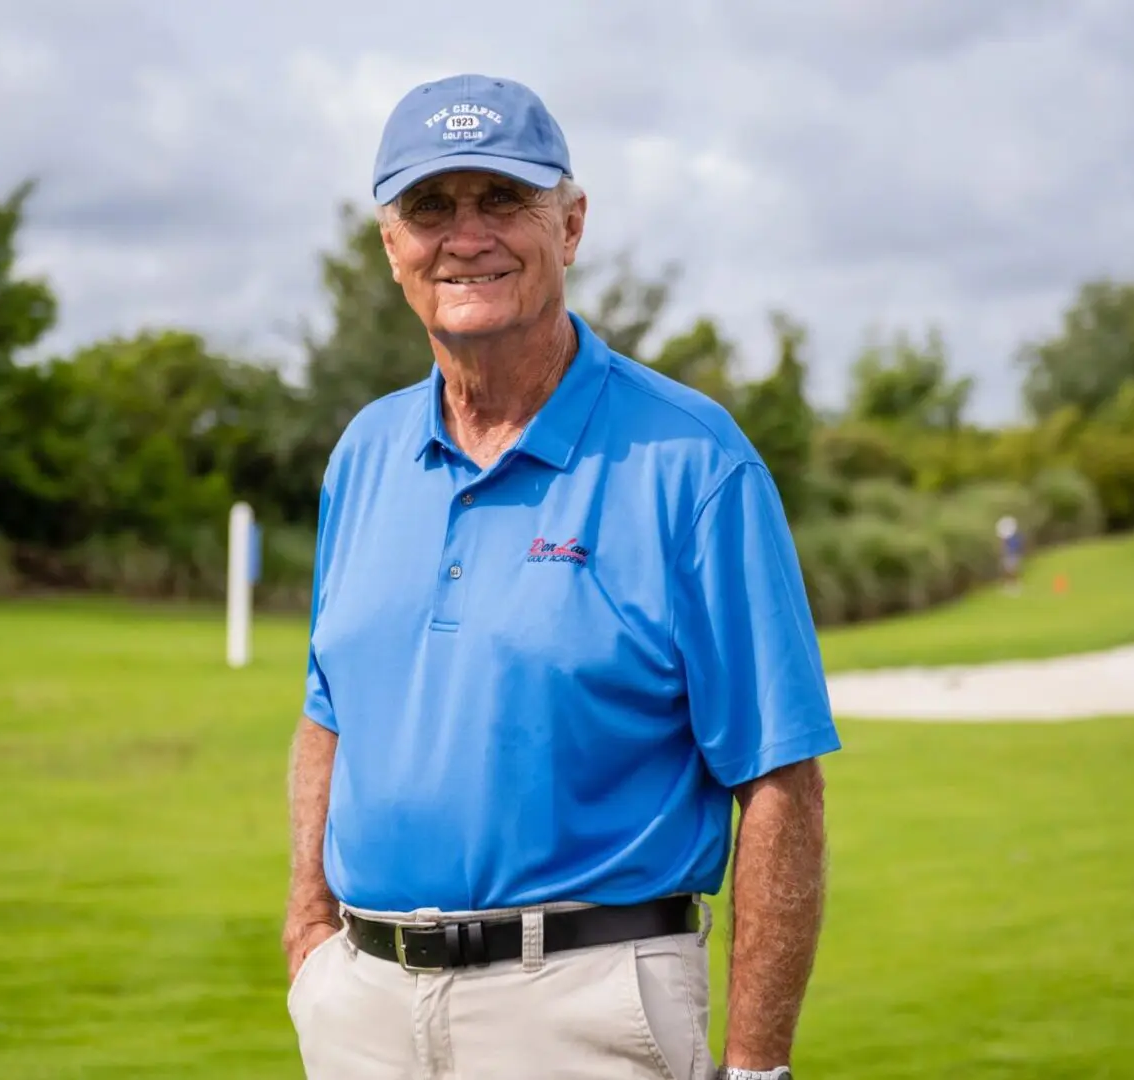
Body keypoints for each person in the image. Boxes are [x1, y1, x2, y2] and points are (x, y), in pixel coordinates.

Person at [281, 72, 841, 1080]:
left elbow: (780, 779)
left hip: (585, 1008)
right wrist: (308, 928)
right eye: (430, 208)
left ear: (571, 224)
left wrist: (756, 1070)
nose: (466, 236)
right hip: (361, 1008)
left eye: (503, 200)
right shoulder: (362, 453)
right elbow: (329, 711)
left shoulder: (693, 461)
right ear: (390, 245)